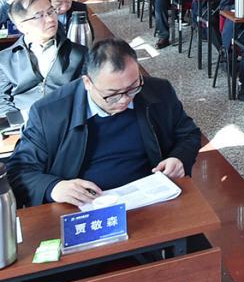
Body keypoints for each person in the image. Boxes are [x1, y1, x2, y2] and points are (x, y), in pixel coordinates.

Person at [8, 39, 200, 207]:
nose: (125, 100)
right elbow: (19, 171)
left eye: (133, 87)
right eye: (112, 95)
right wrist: (54, 188)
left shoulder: (157, 91)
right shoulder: (50, 112)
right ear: (87, 83)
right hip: (83, 205)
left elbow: (188, 133)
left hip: (151, 198)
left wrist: (179, 158)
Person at [0, 0, 87, 121]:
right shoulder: (5, 60)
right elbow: (2, 99)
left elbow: (87, 93)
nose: (50, 19)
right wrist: (17, 123)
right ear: (21, 26)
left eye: (51, 11)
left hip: (66, 121)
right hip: (23, 125)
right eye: (39, 16)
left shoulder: (78, 53)